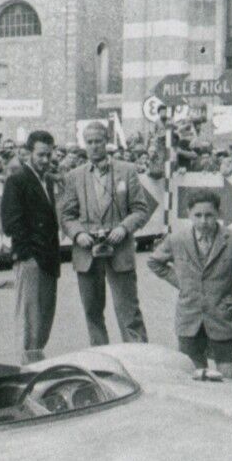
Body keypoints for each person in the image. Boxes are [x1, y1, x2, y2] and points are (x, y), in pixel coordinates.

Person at [147, 189, 232, 380]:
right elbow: (154, 262)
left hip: (220, 319)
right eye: (198, 215)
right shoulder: (177, 240)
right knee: (193, 377)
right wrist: (181, 282)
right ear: (189, 214)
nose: (203, 221)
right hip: (189, 319)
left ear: (218, 214)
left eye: (209, 215)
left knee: (228, 376)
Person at [58, 121, 156, 346]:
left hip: (119, 250)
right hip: (86, 252)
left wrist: (123, 228)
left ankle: (139, 358)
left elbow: (141, 209)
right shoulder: (75, 176)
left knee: (128, 311)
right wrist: (78, 234)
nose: (94, 146)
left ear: (107, 141)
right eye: (89, 142)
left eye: (98, 141)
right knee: (92, 312)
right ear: (85, 144)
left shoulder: (127, 170)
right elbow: (67, 216)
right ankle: (101, 358)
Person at [0, 130, 60, 358]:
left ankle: (34, 364)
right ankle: (29, 370)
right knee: (30, 326)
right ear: (28, 153)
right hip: (33, 260)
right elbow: (11, 223)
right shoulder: (18, 180)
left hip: (47, 260)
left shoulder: (46, 180)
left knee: (43, 323)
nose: (45, 160)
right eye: (40, 155)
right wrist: (28, 256)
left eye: (48, 155)